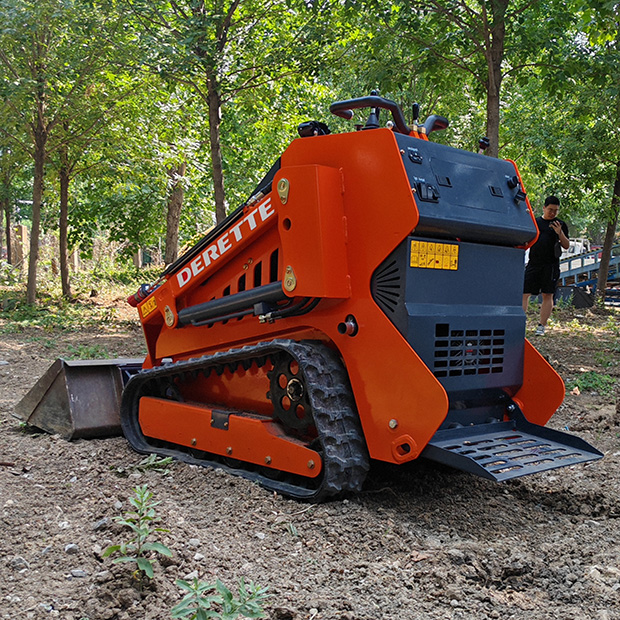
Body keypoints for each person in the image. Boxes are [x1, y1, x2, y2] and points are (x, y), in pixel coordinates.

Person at [522, 196, 570, 335]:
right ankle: (520, 324)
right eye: (550, 209)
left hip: (551, 266)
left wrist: (559, 232)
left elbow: (566, 246)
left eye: (556, 210)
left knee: (547, 295)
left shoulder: (560, 224)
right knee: (524, 294)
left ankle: (541, 326)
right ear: (544, 208)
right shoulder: (535, 222)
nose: (553, 213)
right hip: (533, 263)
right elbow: (526, 240)